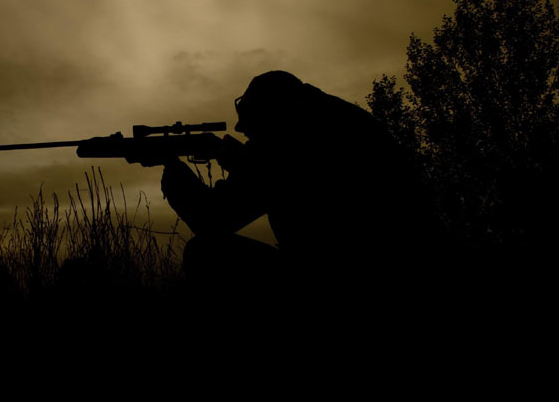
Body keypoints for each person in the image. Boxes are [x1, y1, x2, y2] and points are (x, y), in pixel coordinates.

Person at [161, 71, 439, 327]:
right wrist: (243, 163)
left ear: (275, 113)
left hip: (343, 281)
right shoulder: (337, 121)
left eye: (251, 119)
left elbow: (212, 220)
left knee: (206, 254)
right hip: (402, 271)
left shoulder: (292, 141)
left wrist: (174, 169)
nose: (241, 128)